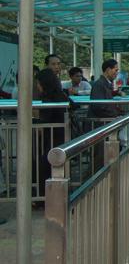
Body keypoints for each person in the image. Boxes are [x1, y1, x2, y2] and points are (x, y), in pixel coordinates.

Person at [35, 68, 69, 200]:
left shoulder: (49, 98)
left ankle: (46, 199)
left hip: (55, 138)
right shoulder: (61, 94)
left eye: (38, 83)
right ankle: (57, 197)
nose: (37, 86)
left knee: (46, 166)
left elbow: (46, 118)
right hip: (60, 137)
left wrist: (37, 115)